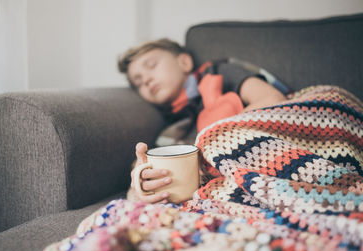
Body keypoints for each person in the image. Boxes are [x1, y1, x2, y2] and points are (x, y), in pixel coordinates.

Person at [117, 38, 287, 203]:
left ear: (184, 62)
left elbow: (272, 99)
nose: (146, 80)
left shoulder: (218, 73)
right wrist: (142, 178)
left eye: (152, 66)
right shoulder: (175, 126)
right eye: (138, 82)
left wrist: (209, 144)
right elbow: (158, 162)